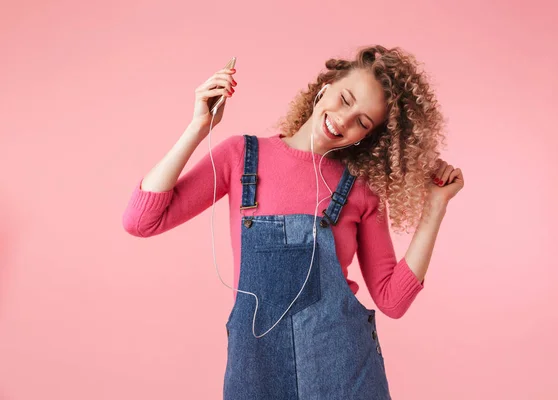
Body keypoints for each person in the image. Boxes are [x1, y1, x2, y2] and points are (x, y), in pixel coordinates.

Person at [122, 44, 464, 400]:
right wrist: (198, 126)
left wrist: (435, 208)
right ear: (326, 85)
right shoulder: (241, 156)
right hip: (257, 371)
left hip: (345, 374)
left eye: (363, 121)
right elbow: (141, 221)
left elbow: (393, 301)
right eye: (346, 99)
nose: (344, 120)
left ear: (369, 136)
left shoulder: (362, 189)